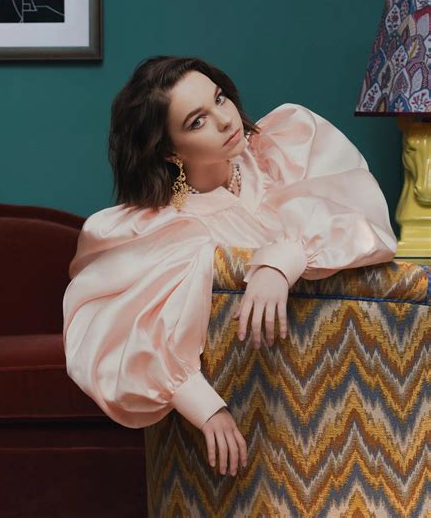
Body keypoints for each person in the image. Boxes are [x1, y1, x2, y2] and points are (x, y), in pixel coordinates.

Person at [62, 55, 398, 479]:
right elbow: (118, 336)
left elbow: (368, 225)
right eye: (197, 121)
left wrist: (280, 262)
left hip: (352, 389)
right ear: (169, 150)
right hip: (255, 412)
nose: (225, 120)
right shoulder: (166, 230)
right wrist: (205, 407)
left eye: (219, 99)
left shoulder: (284, 150)